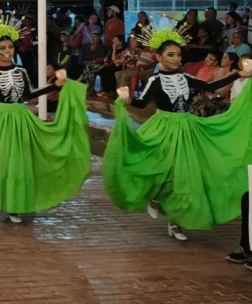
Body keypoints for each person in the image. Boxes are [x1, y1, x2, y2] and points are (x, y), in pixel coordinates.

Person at [105, 26, 251, 242]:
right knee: (161, 169)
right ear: (158, 56)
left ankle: (176, 222)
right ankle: (153, 198)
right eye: (170, 55)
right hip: (164, 128)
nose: (175, 59)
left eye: (178, 54)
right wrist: (126, 100)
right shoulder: (155, 80)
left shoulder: (185, 77)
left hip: (188, 127)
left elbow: (210, 85)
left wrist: (237, 74)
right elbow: (141, 102)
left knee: (186, 177)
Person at [0, 13, 90, 224]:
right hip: (0, 120)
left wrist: (54, 86)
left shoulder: (21, 71)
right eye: (2, 48)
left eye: (10, 47)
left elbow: (29, 94)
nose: (7, 51)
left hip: (21, 119)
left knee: (20, 163)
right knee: (3, 162)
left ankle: (15, 206)